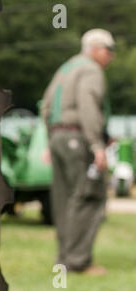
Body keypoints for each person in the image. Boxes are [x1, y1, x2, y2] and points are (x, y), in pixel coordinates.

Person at [41, 29, 115, 275]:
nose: (111, 57)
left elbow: (47, 104)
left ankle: (63, 259)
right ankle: (78, 261)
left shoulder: (66, 68)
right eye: (109, 50)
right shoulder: (91, 70)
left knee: (64, 200)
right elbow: (88, 105)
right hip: (78, 138)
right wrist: (97, 144)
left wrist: (50, 140)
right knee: (88, 196)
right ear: (94, 49)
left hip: (58, 137)